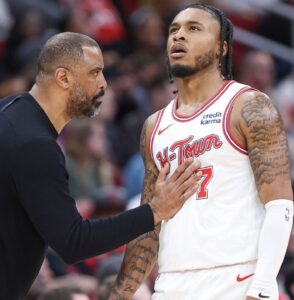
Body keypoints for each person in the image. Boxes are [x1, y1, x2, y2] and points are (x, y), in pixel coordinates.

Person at [109, 3, 294, 300]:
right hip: (172, 284)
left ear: (222, 48)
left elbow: (280, 206)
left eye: (193, 29)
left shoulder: (248, 106)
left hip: (237, 280)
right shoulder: (154, 126)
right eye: (173, 30)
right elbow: (149, 227)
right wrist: (119, 295)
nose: (179, 36)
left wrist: (260, 288)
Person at [0, 32, 202, 300]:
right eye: (94, 73)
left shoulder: (10, 108)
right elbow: (73, 242)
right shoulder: (36, 146)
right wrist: (155, 210)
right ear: (63, 78)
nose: (104, 84)